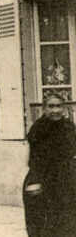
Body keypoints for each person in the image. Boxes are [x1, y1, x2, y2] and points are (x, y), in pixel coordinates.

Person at [24, 94, 76, 236]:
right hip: (43, 179)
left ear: (64, 108)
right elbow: (33, 159)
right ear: (44, 109)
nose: (55, 110)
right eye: (51, 106)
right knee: (42, 221)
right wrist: (35, 182)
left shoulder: (69, 127)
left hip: (66, 181)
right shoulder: (37, 129)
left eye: (58, 106)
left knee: (68, 221)